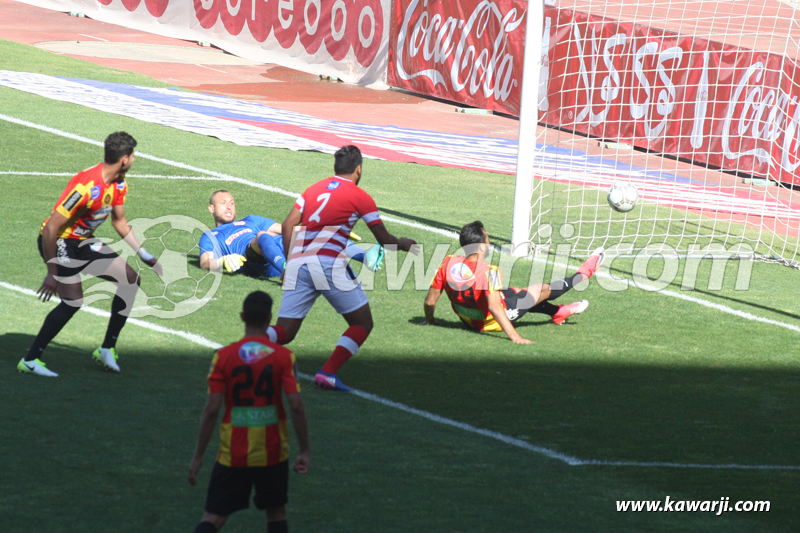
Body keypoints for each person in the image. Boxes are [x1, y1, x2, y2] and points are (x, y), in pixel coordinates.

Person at [266, 145, 417, 391]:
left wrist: (288, 262)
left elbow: (287, 225)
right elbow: (383, 240)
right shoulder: (360, 196)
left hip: (300, 263)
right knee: (362, 324)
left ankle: (247, 349)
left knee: (285, 330)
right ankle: (328, 372)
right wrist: (402, 244)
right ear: (358, 170)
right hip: (329, 264)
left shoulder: (313, 190)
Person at [17, 131, 160, 377]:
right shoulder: (86, 186)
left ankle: (107, 348)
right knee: (73, 301)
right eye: (133, 155)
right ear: (124, 158)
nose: (134, 159)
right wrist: (52, 272)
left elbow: (120, 221)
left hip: (82, 241)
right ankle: (30, 359)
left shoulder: (119, 181)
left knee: (130, 280)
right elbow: (52, 227)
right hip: (59, 241)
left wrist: (144, 254)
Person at [188, 291, 310, 533]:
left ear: (242, 316)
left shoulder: (223, 357)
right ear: (269, 318)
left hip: (234, 452)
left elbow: (212, 411)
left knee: (213, 517)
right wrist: (304, 449)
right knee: (276, 514)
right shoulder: (285, 356)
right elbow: (296, 406)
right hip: (273, 451)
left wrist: (198, 456)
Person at [420, 221, 604, 344]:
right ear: (482, 245)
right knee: (542, 289)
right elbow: (494, 307)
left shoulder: (448, 262)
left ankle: (558, 312)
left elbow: (430, 301)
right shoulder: (490, 271)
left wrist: (430, 321)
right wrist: (515, 337)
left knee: (515, 292)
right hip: (491, 322)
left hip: (468, 320)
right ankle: (584, 273)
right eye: (487, 238)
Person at [199, 190, 383, 277]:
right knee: (263, 235)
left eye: (231, 202)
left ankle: (366, 256)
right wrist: (222, 261)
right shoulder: (210, 236)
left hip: (276, 249)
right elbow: (205, 262)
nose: (229, 206)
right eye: (223, 203)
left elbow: (287, 230)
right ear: (211, 208)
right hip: (255, 259)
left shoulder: (251, 220)